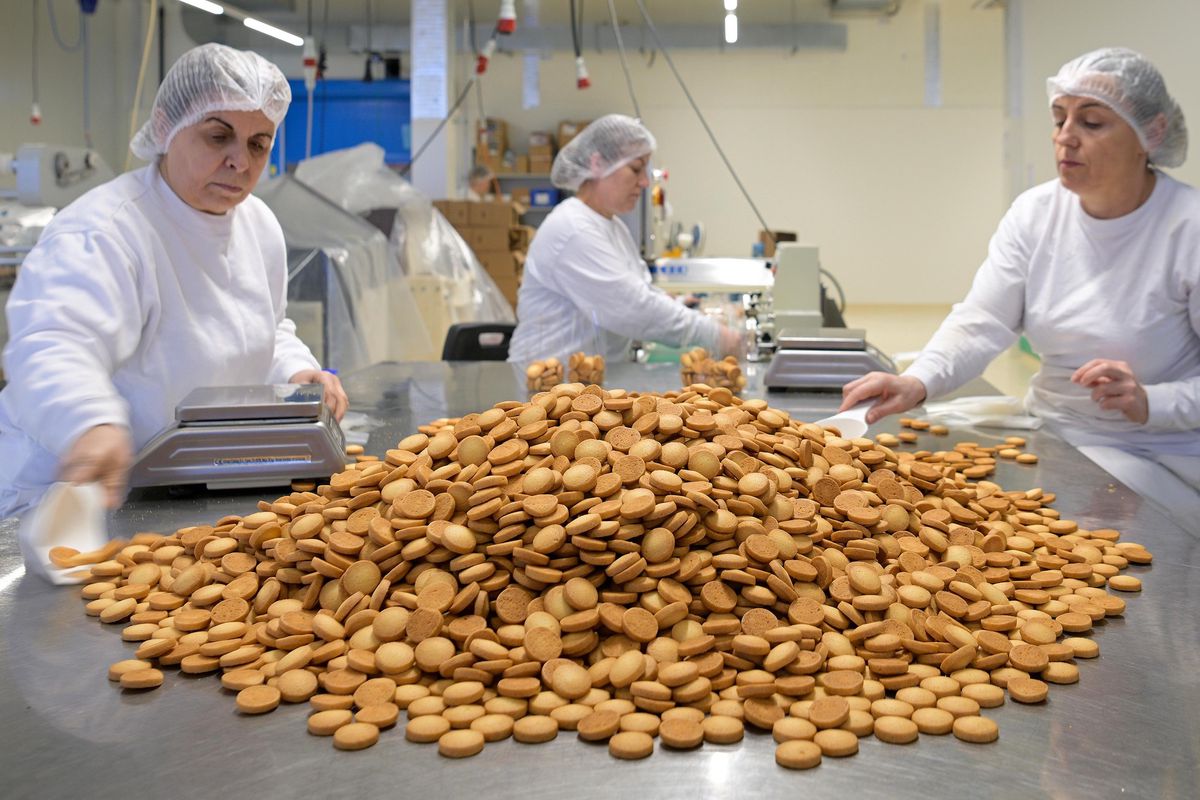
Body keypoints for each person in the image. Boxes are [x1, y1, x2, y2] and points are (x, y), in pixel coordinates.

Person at [840, 47, 1200, 532]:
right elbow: (982, 321)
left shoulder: (1187, 228)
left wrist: (1149, 401)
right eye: (1058, 118)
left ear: (1149, 135)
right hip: (1054, 436)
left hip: (1160, 451)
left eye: (1091, 123)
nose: (1065, 137)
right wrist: (918, 380)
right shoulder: (1036, 214)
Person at [0, 43, 348, 518]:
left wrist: (295, 372)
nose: (240, 163)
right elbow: (52, 342)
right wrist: (90, 422)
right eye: (217, 136)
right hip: (63, 497)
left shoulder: (258, 224)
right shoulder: (106, 231)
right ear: (166, 127)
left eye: (257, 143)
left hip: (182, 488)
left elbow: (268, 327)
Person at [507, 114, 743, 367]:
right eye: (635, 169)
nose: (644, 182)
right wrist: (716, 335)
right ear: (597, 164)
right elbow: (633, 308)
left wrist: (683, 305)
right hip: (547, 383)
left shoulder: (612, 225)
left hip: (587, 381)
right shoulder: (573, 228)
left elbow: (640, 288)